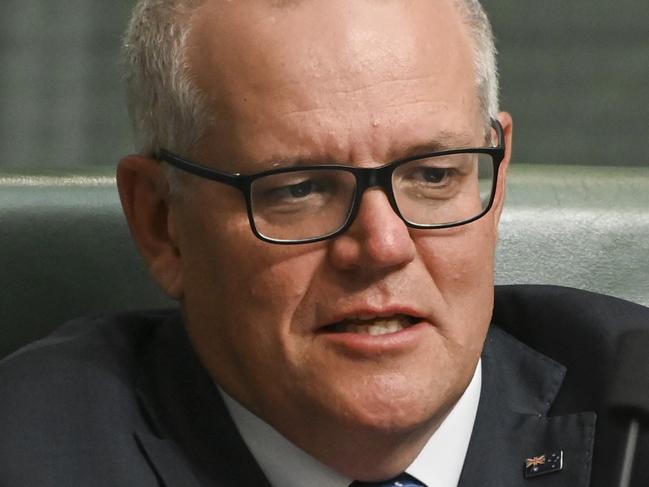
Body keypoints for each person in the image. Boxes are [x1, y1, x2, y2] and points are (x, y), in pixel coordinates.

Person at [0, 0, 647, 486]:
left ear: (493, 184)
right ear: (162, 222)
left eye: (432, 175)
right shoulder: (30, 451)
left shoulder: (633, 415)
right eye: (299, 187)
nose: (382, 243)